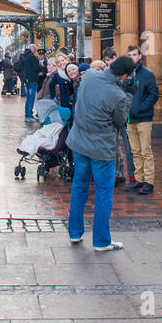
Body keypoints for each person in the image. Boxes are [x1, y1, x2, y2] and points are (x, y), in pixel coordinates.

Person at [66, 56, 134, 252]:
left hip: (79, 143)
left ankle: (75, 232)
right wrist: (127, 98)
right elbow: (121, 121)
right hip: (101, 149)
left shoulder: (88, 77)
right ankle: (101, 241)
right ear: (123, 76)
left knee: (79, 187)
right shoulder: (118, 95)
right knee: (104, 193)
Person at [124, 45, 159, 195]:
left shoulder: (147, 74)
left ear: (140, 56)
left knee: (145, 151)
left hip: (143, 118)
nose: (131, 57)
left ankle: (148, 181)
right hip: (130, 119)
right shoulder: (127, 74)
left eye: (134, 54)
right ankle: (138, 179)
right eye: (129, 55)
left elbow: (153, 94)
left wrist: (141, 108)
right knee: (135, 151)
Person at [18, 44, 41, 119]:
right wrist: (41, 67)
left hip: (26, 79)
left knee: (28, 97)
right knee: (31, 98)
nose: (35, 51)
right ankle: (29, 115)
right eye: (35, 49)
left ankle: (28, 113)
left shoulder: (24, 56)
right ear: (33, 49)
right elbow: (36, 68)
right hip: (32, 79)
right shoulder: (32, 57)